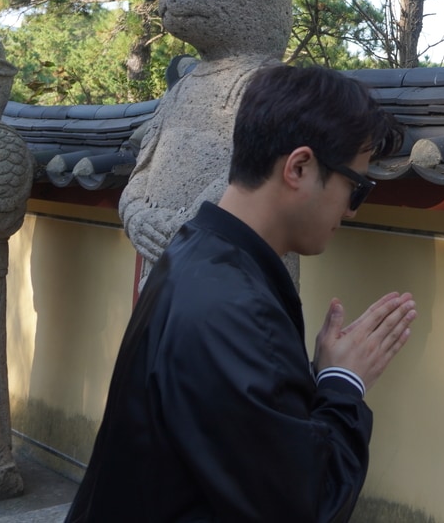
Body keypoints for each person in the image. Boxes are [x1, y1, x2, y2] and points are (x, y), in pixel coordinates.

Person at [66, 63, 416, 522]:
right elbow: (306, 507)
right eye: (356, 187)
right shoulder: (237, 310)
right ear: (300, 167)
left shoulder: (197, 254)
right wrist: (343, 385)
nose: (351, 212)